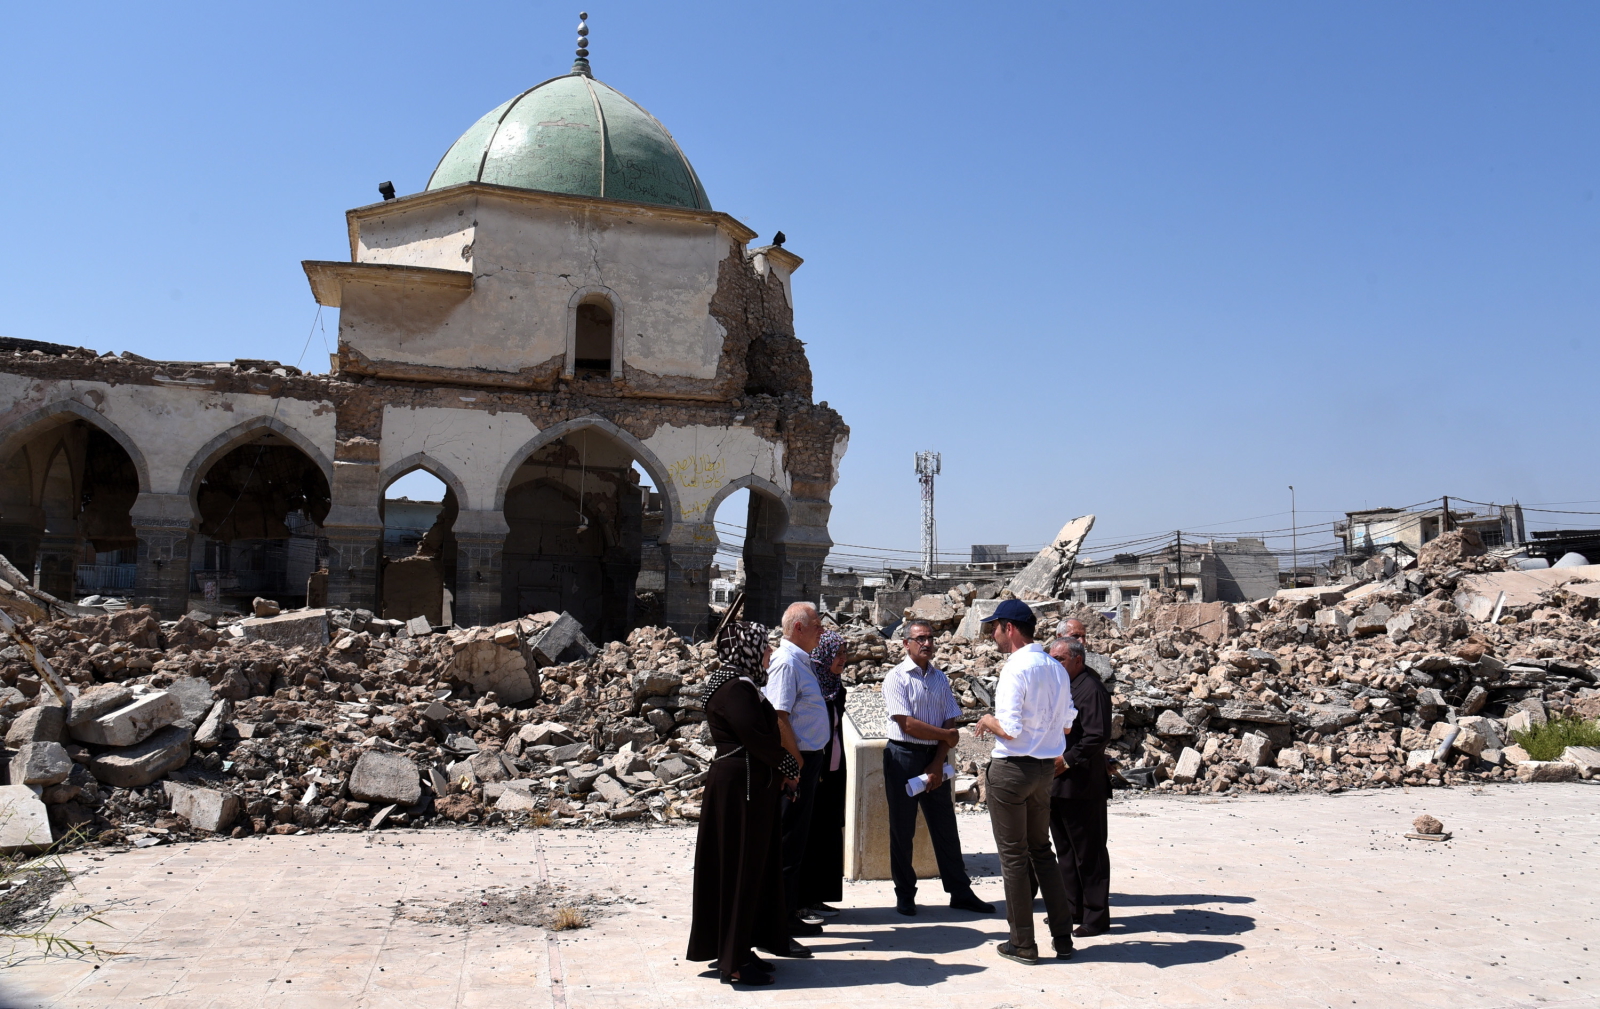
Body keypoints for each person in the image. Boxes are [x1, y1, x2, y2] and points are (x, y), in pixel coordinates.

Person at [686, 620, 803, 986]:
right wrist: (789, 767)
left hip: (748, 785)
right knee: (740, 869)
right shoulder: (735, 688)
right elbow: (756, 736)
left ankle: (740, 945)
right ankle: (733, 961)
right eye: (764, 647)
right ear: (747, 649)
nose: (769, 654)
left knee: (750, 869)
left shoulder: (742, 683)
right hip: (741, 789)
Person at [973, 599, 1078, 965]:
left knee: (1014, 859)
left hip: (1013, 771)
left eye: (995, 627)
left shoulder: (1016, 668)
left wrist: (987, 721)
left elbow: (1012, 730)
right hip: (1043, 771)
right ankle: (1063, 938)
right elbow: (1067, 724)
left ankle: (1022, 943)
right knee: (1041, 851)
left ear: (1010, 628)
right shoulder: (1056, 668)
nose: (993, 634)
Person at [881, 619, 995, 916]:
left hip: (935, 756)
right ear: (906, 643)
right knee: (902, 830)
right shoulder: (896, 678)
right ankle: (905, 894)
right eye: (920, 638)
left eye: (930, 638)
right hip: (903, 756)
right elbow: (906, 723)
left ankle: (960, 891)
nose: (927, 643)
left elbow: (950, 719)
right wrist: (946, 736)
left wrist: (937, 760)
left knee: (945, 827)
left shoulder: (940, 678)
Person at [764, 601, 830, 939]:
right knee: (788, 841)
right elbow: (779, 716)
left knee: (798, 839)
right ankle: (781, 917)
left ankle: (790, 909)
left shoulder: (800, 660)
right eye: (817, 623)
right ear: (799, 627)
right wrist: (797, 763)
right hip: (797, 763)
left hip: (806, 759)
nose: (823, 629)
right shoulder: (787, 663)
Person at [1047, 635, 1113, 937]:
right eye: (1052, 658)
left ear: (1077, 660)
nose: (1054, 663)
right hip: (1057, 785)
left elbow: (1096, 736)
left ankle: (1096, 916)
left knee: (1090, 853)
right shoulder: (1062, 687)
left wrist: (1067, 761)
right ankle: (1072, 908)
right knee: (1065, 852)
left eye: (1060, 658)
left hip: (1082, 785)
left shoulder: (1091, 689)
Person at [796, 628, 848, 923]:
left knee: (828, 831)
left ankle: (819, 895)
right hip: (814, 768)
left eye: (845, 653)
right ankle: (800, 899)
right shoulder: (812, 686)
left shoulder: (835, 687)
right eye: (838, 653)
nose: (842, 659)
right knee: (808, 833)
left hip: (833, 768)